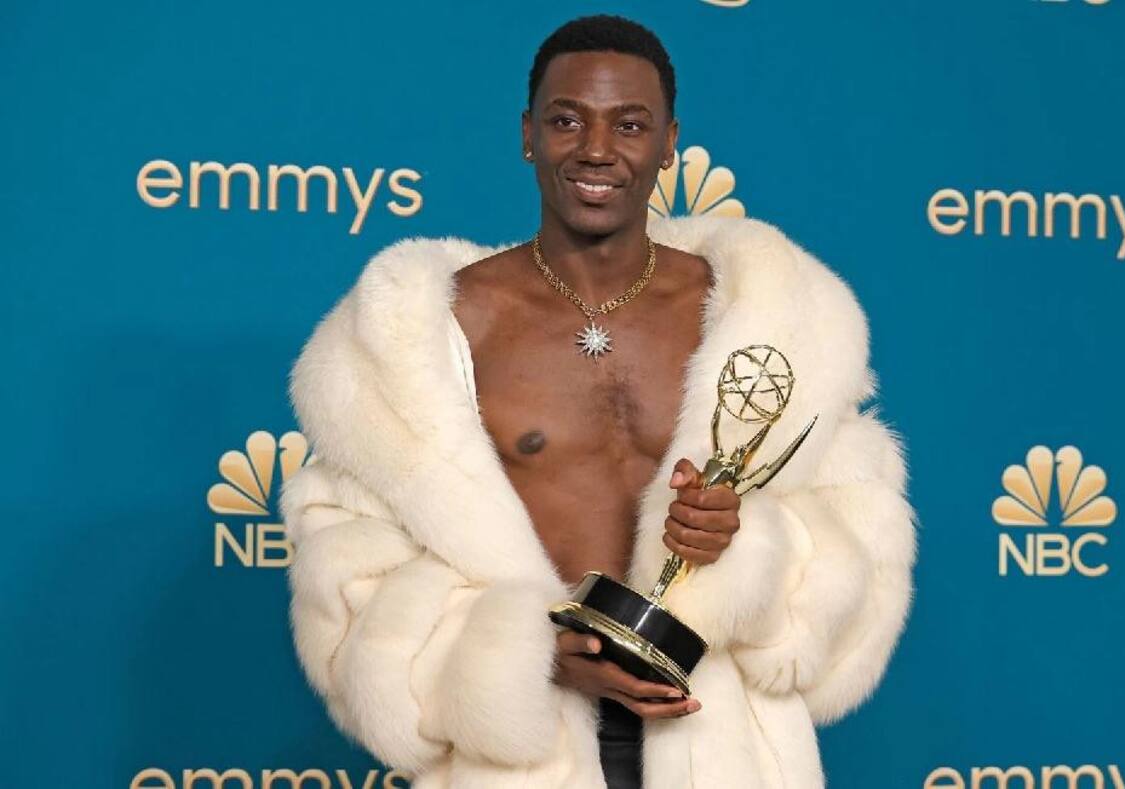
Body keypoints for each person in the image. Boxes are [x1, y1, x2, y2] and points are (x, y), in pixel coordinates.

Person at [280, 13, 916, 789]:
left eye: (630, 124)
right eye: (567, 120)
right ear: (527, 134)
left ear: (668, 142)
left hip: (725, 749)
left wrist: (744, 544)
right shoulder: (437, 330)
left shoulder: (770, 324)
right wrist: (517, 655)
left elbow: (858, 558)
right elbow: (351, 586)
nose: (596, 149)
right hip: (517, 757)